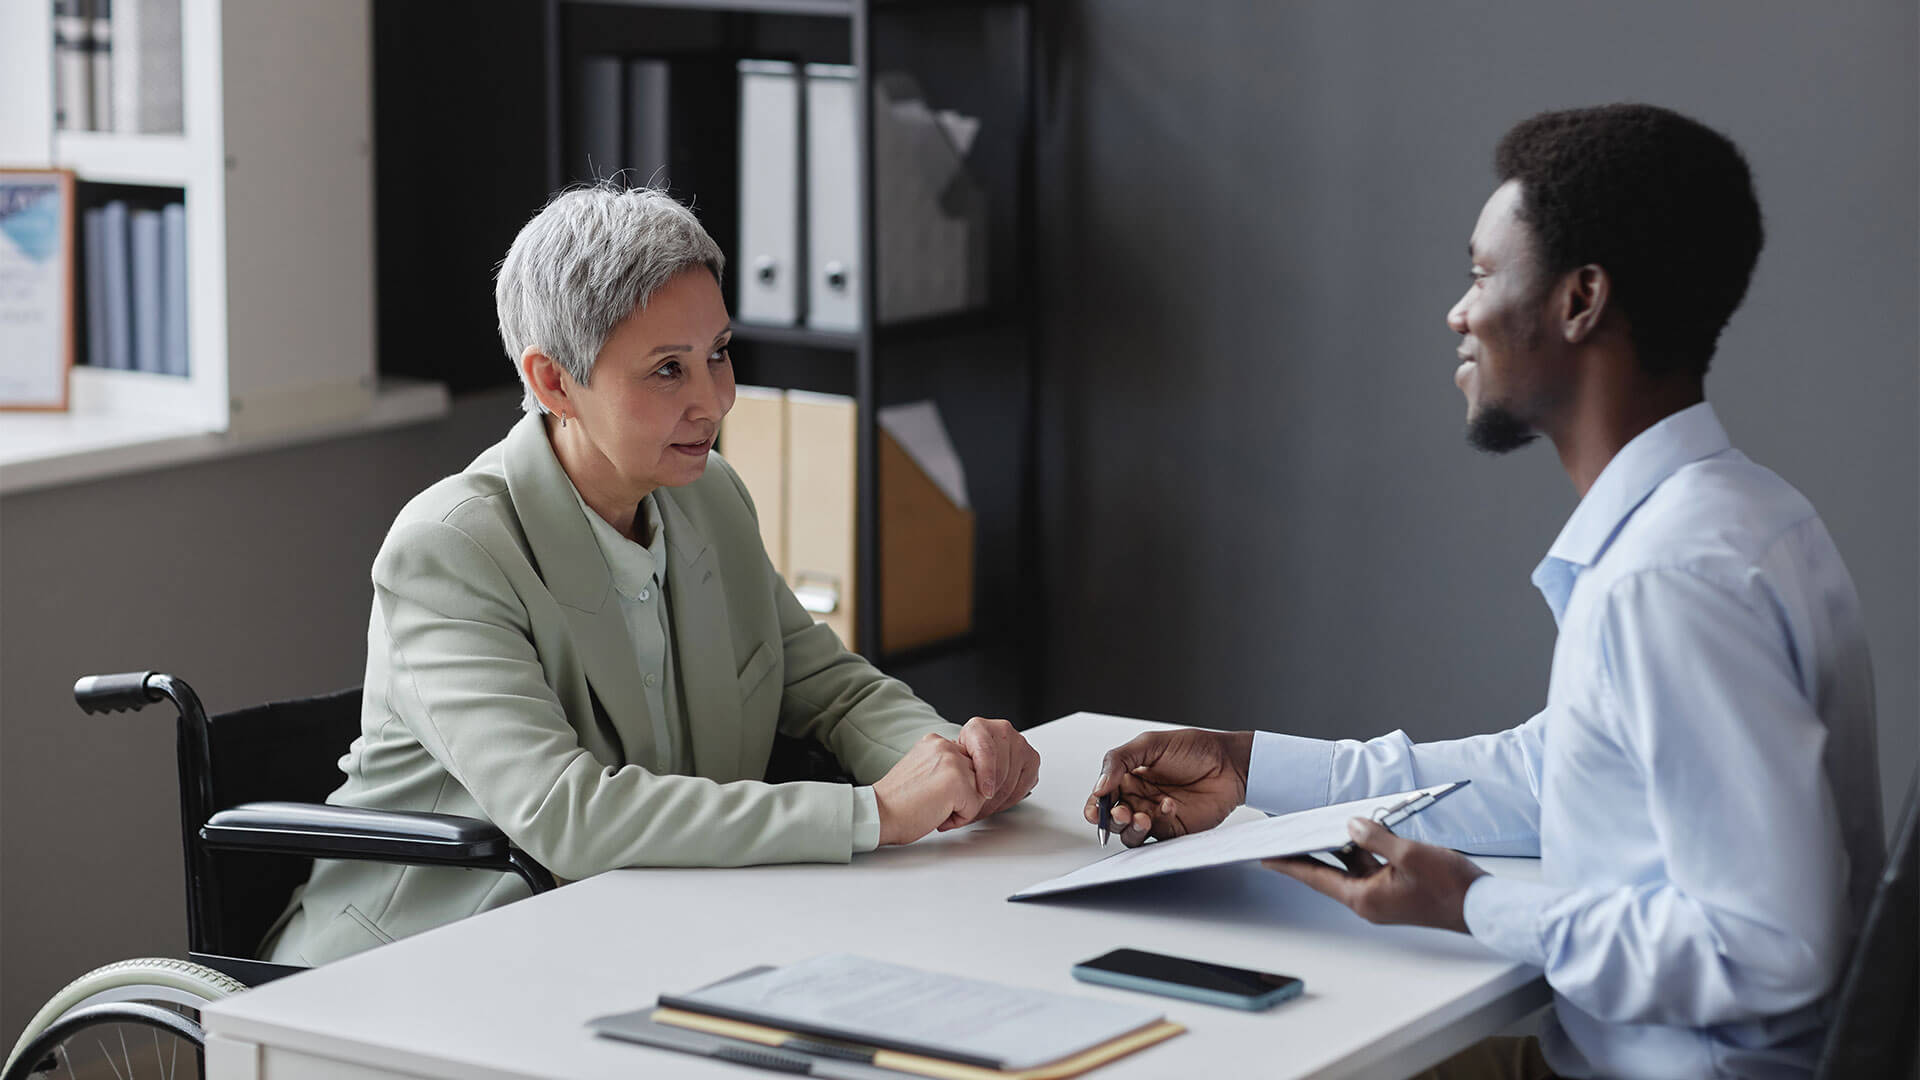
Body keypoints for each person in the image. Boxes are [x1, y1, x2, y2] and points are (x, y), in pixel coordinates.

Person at [1083, 105, 1883, 1080]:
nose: (1458, 314)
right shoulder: (1746, 513)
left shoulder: (1671, 578)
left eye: (1480, 273)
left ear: (1580, 300)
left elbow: (1769, 951)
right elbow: (1564, 778)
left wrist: (1472, 905)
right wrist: (1255, 769)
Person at [266, 184, 1039, 966]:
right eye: (668, 370)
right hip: (423, 963)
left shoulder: (710, 499)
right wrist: (869, 815)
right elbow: (568, 814)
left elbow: (833, 691)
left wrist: (954, 759)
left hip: (637, 937)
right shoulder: (449, 550)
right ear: (553, 383)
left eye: (718, 354)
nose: (715, 401)